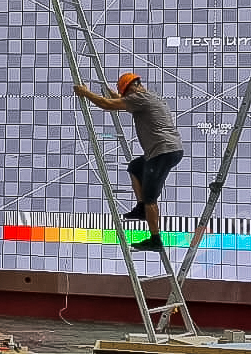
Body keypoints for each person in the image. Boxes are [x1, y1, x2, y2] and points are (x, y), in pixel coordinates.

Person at [74, 72, 184, 253]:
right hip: (165, 150)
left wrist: (85, 93)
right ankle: (141, 209)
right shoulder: (149, 97)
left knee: (150, 198)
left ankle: (155, 240)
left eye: (125, 94)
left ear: (131, 88)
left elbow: (108, 105)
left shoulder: (139, 98)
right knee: (135, 167)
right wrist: (114, 95)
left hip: (163, 152)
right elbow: (121, 102)